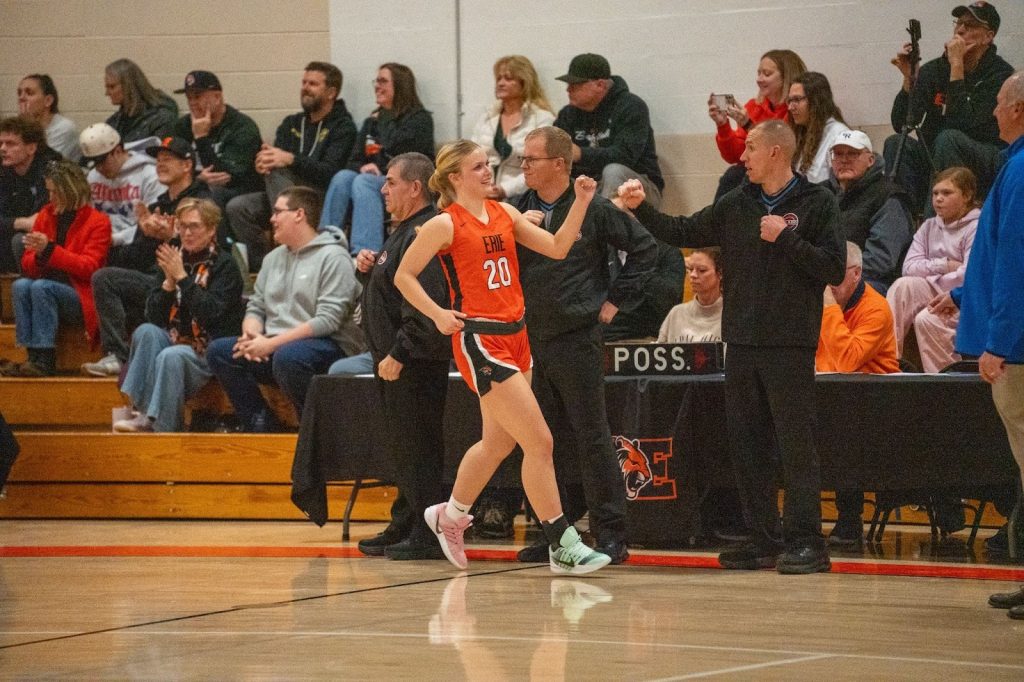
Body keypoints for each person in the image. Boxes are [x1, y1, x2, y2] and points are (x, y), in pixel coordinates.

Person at [617, 119, 846, 574]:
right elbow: (682, 229)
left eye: (752, 148)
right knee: (747, 444)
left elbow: (834, 269)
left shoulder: (817, 202)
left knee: (795, 445)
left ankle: (807, 542)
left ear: (777, 152)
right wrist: (642, 208)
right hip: (739, 342)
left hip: (789, 344)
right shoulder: (737, 203)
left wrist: (786, 239)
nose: (743, 157)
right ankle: (763, 539)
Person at [393, 139, 611, 575]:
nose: (487, 172)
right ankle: (562, 543)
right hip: (481, 340)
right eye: (477, 167)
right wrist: (437, 314)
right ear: (455, 177)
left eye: (488, 164)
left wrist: (583, 201)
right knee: (540, 441)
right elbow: (404, 275)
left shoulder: (505, 214)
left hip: (518, 336)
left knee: (497, 443)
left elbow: (558, 247)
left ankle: (451, 515)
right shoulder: (444, 224)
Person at [513, 126, 657, 565]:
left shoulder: (593, 209)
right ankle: (557, 529)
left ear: (559, 163)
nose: (523, 166)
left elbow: (646, 249)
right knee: (542, 441)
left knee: (592, 435)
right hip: (531, 338)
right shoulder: (522, 209)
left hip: (577, 337)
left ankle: (611, 532)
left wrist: (615, 302)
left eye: (531, 159)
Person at [928, 71, 1024, 618]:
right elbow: (999, 259)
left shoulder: (1020, 169)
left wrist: (1000, 341)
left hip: (1017, 348)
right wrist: (965, 292)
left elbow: (1016, 262)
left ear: (1019, 108)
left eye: (999, 103)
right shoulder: (1014, 166)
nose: (991, 112)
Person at [351, 152, 451, 561]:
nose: (383, 189)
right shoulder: (403, 231)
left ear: (415, 187)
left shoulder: (423, 231)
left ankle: (428, 535)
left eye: (390, 182)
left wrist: (398, 353)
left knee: (419, 448)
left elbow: (425, 306)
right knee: (404, 448)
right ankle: (405, 520)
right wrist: (368, 272)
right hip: (396, 361)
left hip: (415, 361)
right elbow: (393, 290)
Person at [206, 186, 364, 431]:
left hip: (328, 345)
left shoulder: (334, 257)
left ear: (299, 214)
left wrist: (271, 344)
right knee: (221, 351)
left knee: (289, 357)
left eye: (278, 212)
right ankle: (260, 423)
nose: (272, 219)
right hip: (279, 346)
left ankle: (315, 429)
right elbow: (256, 305)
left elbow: (327, 321)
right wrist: (252, 333)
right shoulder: (273, 258)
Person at [83, 136, 210, 378]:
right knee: (105, 277)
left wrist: (172, 235)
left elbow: (206, 251)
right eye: (158, 159)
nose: (160, 164)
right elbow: (136, 259)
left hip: (191, 283)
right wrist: (145, 232)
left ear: (187, 165)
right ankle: (116, 356)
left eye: (168, 159)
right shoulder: (159, 205)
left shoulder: (202, 201)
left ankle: (125, 358)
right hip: (158, 280)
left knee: (110, 281)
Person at [115, 198, 244, 432]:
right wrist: (167, 283)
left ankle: (165, 429)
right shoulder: (173, 258)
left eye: (194, 226)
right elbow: (153, 316)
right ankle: (144, 413)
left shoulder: (226, 266)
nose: (187, 232)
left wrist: (183, 280)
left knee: (171, 356)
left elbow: (211, 313)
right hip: (176, 338)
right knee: (146, 332)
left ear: (212, 229)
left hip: (209, 346)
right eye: (182, 226)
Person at [226, 62, 357, 272]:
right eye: (304, 82)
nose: (305, 87)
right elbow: (276, 161)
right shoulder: (291, 123)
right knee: (239, 207)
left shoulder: (344, 127)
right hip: (281, 192)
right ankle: (265, 267)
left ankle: (288, 252)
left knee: (278, 170)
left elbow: (330, 173)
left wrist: (290, 159)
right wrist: (263, 162)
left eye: (313, 84)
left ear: (331, 92)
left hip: (319, 196)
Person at [885, 2, 1014, 215]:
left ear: (988, 36)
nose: (960, 30)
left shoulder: (999, 75)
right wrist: (909, 80)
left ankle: (933, 228)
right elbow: (901, 124)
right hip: (939, 153)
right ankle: (899, 227)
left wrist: (957, 67)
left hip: (985, 157)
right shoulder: (935, 70)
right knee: (896, 143)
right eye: (959, 23)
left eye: (971, 25)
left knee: (949, 138)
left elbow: (964, 125)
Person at [814, 241, 900, 546]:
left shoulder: (875, 308)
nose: (826, 283)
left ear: (856, 273)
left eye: (833, 275)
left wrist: (828, 309)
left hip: (877, 403)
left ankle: (849, 519)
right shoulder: (821, 302)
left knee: (843, 425)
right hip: (832, 395)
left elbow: (847, 361)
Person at [1, 160, 110, 377]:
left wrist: (50, 250)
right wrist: (40, 255)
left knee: (42, 287)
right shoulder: (46, 214)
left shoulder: (98, 222)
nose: (50, 198)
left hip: (79, 293)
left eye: (55, 192)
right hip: (48, 287)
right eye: (48, 192)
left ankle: (45, 358)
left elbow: (90, 268)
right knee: (21, 285)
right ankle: (31, 355)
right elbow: (28, 266)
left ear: (71, 190)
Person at [320, 63, 435, 254]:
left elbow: (401, 153)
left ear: (400, 85)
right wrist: (363, 168)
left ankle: (365, 254)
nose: (377, 86)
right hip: (375, 181)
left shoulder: (419, 120)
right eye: (376, 81)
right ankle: (325, 247)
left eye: (383, 81)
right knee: (343, 177)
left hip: (407, 184)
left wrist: (378, 168)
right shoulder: (371, 121)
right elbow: (354, 160)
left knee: (364, 182)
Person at [887, 167, 979, 372]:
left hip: (963, 298)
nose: (938, 199)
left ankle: (945, 385)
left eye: (947, 193)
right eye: (935, 193)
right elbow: (908, 267)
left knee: (927, 319)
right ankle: (887, 358)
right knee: (903, 285)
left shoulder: (976, 226)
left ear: (967, 195)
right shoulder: (928, 225)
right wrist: (944, 265)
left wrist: (933, 276)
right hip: (934, 290)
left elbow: (969, 276)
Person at [553, 53, 663, 206]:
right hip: (590, 187)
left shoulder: (631, 107)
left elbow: (625, 156)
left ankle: (606, 228)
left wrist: (580, 154)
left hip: (637, 188)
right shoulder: (567, 114)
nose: (568, 89)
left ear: (600, 85)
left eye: (576, 85)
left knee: (613, 171)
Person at [821, 129, 914, 295]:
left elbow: (881, 261)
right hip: (825, 275)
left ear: (870, 160)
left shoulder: (888, 197)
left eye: (853, 154)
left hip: (870, 281)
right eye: (838, 154)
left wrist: (832, 275)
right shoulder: (820, 193)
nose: (844, 160)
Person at [711, 50, 806, 201]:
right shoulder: (754, 107)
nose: (759, 79)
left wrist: (748, 125)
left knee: (737, 177)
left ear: (786, 78)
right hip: (756, 174)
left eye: (767, 74)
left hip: (784, 176)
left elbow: (781, 150)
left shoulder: (795, 112)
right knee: (733, 175)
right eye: (759, 73)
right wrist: (723, 126)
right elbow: (736, 156)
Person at [170, 70, 262, 211]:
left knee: (211, 194)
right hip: (198, 184)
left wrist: (201, 138)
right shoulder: (182, 126)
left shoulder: (242, 127)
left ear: (217, 97)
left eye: (197, 96)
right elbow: (172, 166)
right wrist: (198, 179)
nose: (192, 103)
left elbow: (224, 177)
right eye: (189, 98)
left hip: (239, 190)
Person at [470, 55, 555, 203]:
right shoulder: (487, 117)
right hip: (483, 192)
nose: (501, 83)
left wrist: (504, 189)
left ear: (524, 83)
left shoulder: (542, 119)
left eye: (508, 79)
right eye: (499, 79)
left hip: (524, 196)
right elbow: (469, 158)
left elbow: (541, 167)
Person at [80, 122, 165, 251]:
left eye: (103, 161)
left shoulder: (150, 175)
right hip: (99, 242)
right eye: (95, 164)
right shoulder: (93, 176)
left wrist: (115, 239)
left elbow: (152, 225)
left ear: (118, 151)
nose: (99, 168)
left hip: (135, 246)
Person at [0, 117, 61, 272]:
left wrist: (14, 223)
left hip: (49, 239)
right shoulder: (4, 170)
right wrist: (20, 222)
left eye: (11, 144)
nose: (2, 149)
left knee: (20, 240)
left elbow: (44, 219)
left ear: (31, 148)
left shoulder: (51, 170)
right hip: (16, 230)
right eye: (1, 143)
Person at [788, 72, 851, 184]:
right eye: (790, 101)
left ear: (816, 101)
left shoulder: (838, 135)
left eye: (797, 100)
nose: (790, 107)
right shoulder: (802, 133)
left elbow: (842, 187)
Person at [103, 59, 179, 146]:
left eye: (112, 87)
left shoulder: (162, 118)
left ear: (128, 85)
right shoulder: (116, 121)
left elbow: (163, 155)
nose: (107, 93)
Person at [658, 247, 723, 343]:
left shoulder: (733, 316)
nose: (693, 275)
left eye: (702, 270)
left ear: (720, 273)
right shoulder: (676, 314)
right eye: (690, 269)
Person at [17, 74, 80, 161]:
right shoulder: (17, 127)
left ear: (48, 100)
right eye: (19, 93)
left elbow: (47, 164)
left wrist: (28, 127)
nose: (21, 98)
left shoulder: (64, 128)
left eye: (29, 93)